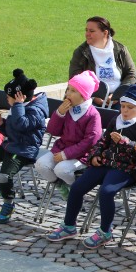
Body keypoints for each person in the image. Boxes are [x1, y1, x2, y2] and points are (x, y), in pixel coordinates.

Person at [46, 85, 136, 248]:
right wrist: (95, 156)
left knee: (106, 192)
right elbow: (102, 141)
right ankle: (69, 225)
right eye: (123, 106)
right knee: (77, 187)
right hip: (106, 162)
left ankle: (105, 231)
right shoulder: (117, 120)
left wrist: (126, 143)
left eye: (130, 107)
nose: (124, 110)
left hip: (128, 168)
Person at [0, 69, 48, 223]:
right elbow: (14, 130)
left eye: (8, 97)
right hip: (11, 145)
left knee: (4, 176)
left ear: (19, 97)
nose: (6, 99)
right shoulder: (18, 108)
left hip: (24, 150)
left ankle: (8, 203)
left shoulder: (35, 111)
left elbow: (22, 125)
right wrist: (2, 125)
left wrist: (17, 106)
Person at [36, 71, 103, 200]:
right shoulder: (66, 109)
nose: (67, 93)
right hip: (62, 148)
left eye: (73, 91)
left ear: (83, 95)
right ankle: (61, 185)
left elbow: (91, 141)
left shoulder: (93, 115)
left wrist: (66, 154)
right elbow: (53, 131)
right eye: (68, 89)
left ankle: (76, 190)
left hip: (83, 155)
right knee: (41, 164)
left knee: (61, 170)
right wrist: (59, 114)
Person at [69, 16, 136, 106]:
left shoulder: (120, 49)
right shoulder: (81, 52)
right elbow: (75, 78)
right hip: (89, 98)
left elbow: (131, 74)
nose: (87, 34)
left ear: (105, 33)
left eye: (91, 31)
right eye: (86, 30)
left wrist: (118, 94)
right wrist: (93, 96)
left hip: (120, 98)